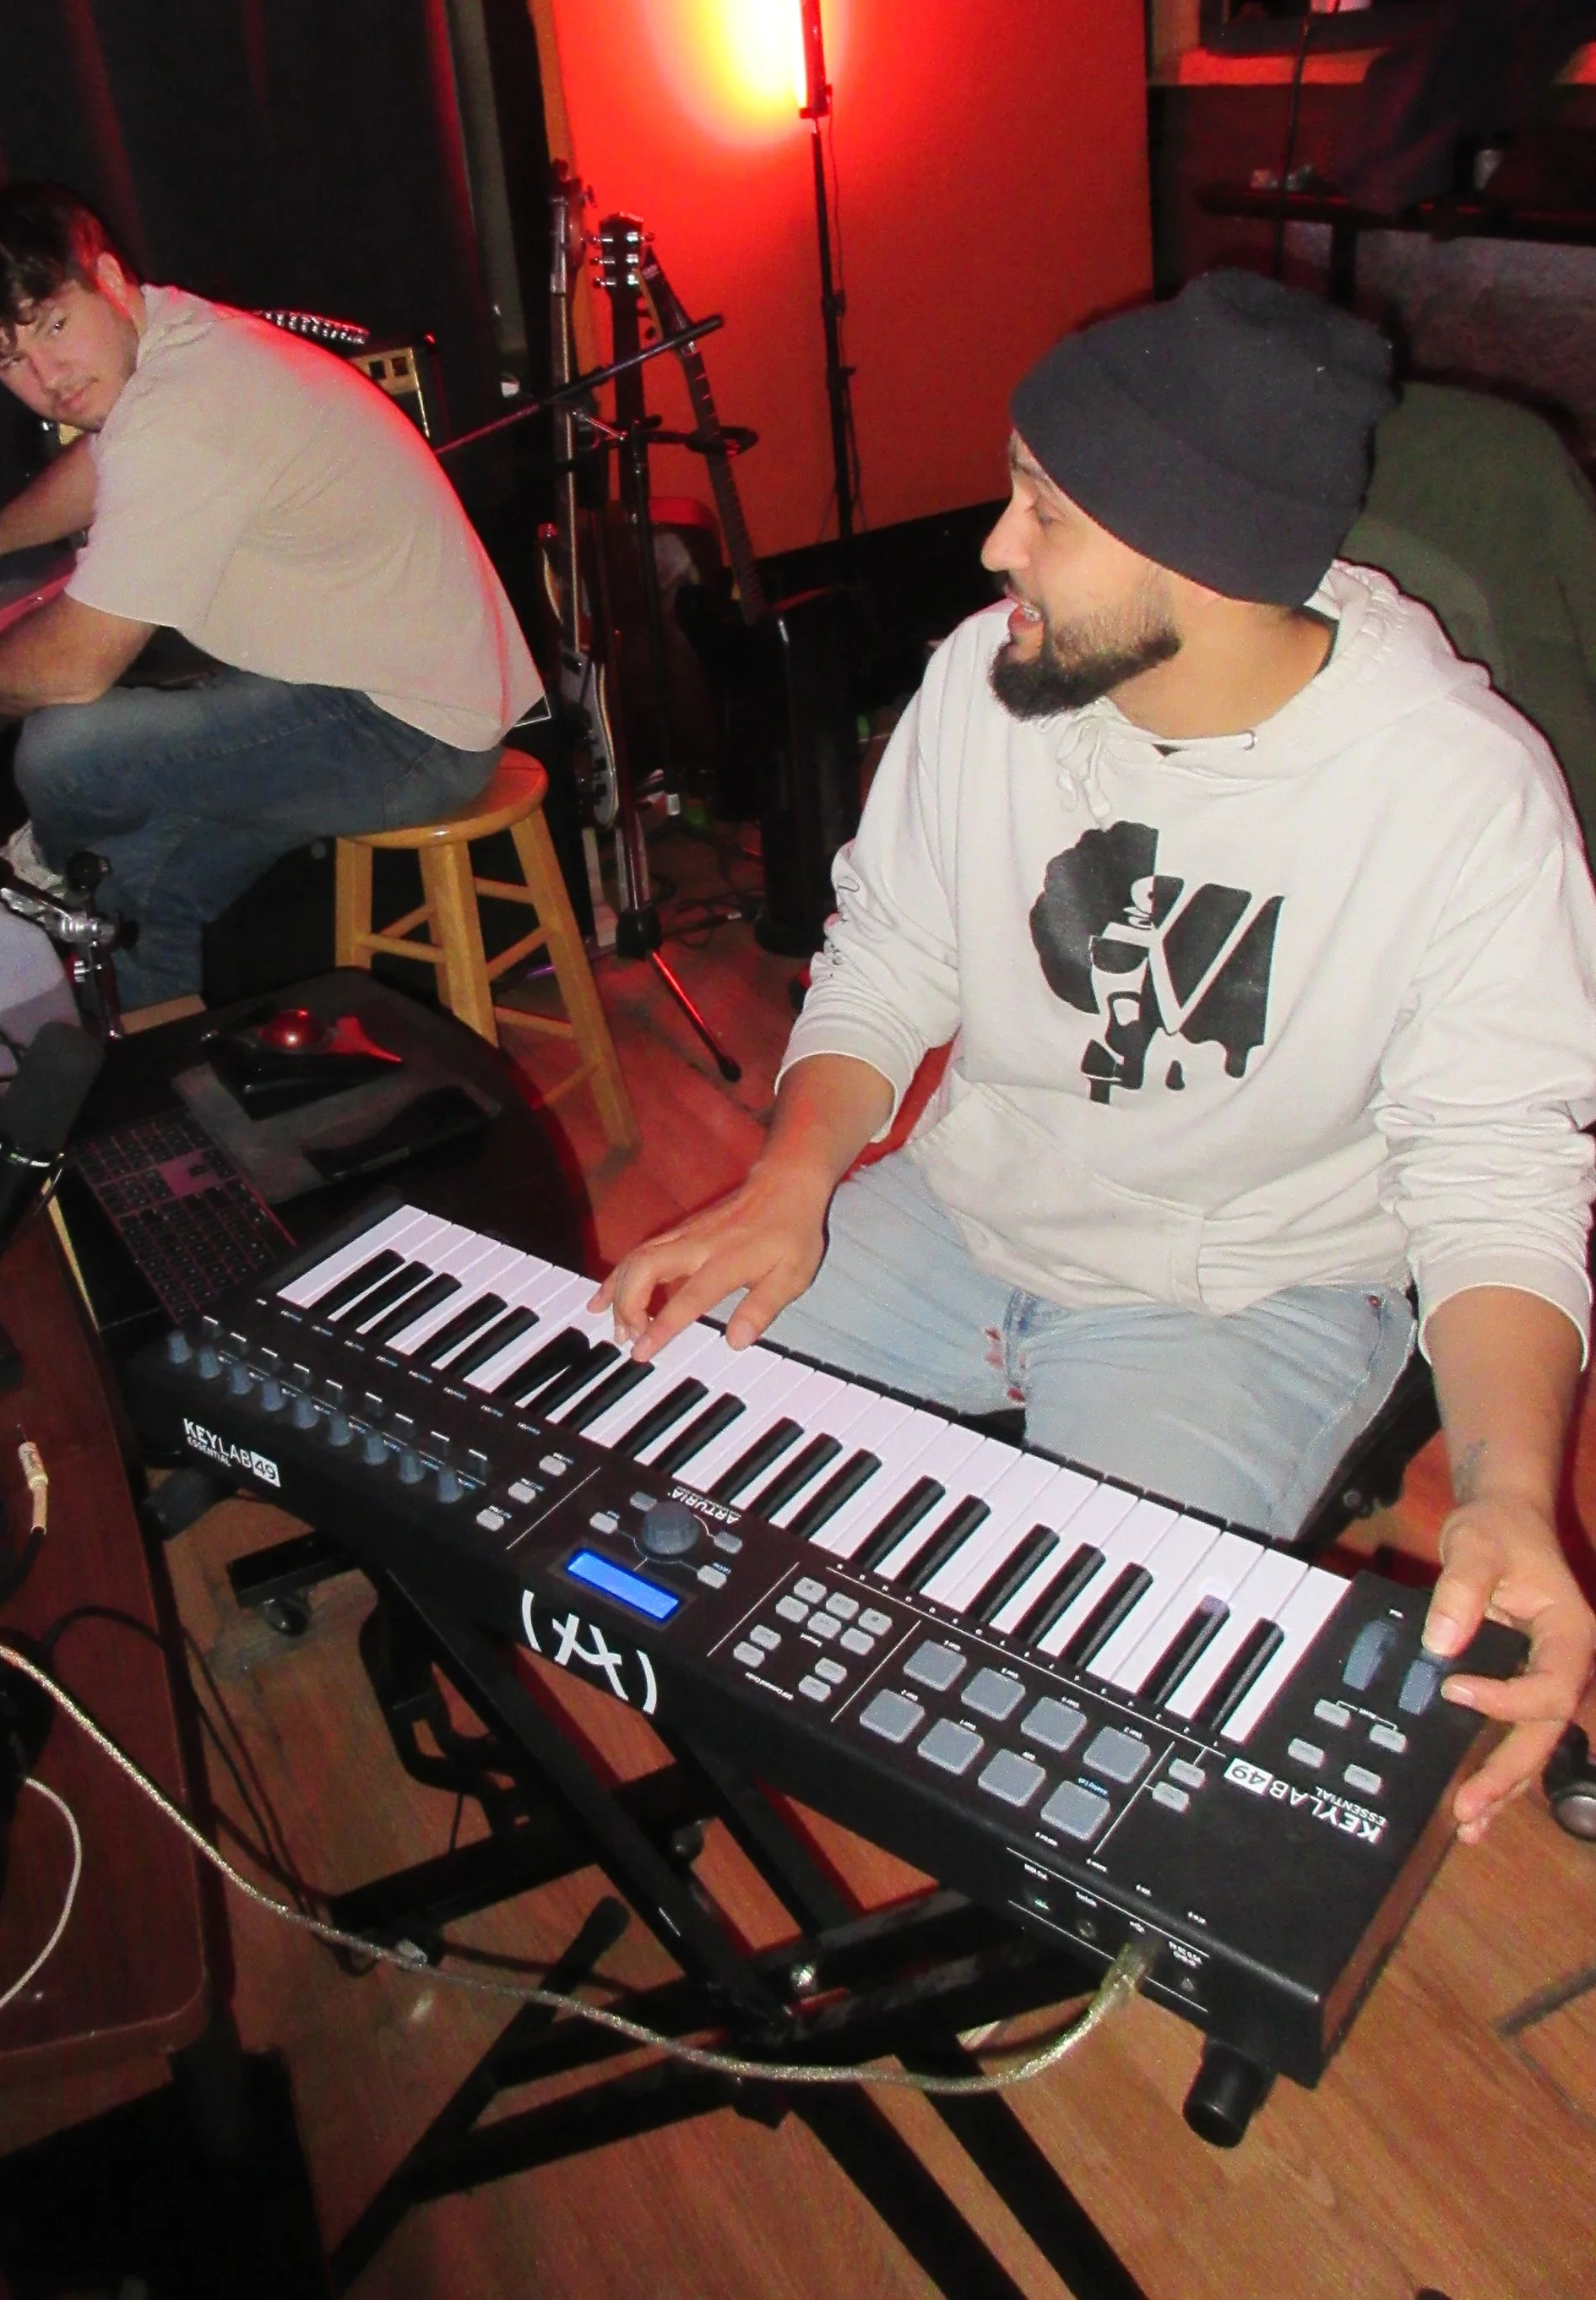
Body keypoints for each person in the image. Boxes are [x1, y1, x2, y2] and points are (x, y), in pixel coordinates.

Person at [600, 270, 1596, 1839]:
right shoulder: (985, 680)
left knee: (1045, 1754)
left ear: (1199, 559)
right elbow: (892, 953)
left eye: (1044, 511)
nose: (998, 548)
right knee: (631, 1483)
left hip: (1245, 1292)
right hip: (965, 1207)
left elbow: (1499, 1176)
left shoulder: (1459, 797)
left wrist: (1511, 1490)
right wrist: (792, 1179)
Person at [0, 182, 542, 1009]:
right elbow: (104, 461)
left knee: (64, 752)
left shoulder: (188, 405)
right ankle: (161, 1095)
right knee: (132, 888)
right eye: (9, 362)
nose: (47, 377)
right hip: (387, 692)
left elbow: (71, 671)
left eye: (52, 327)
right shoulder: (171, 335)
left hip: (404, 730)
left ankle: (43, 872)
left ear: (104, 277)